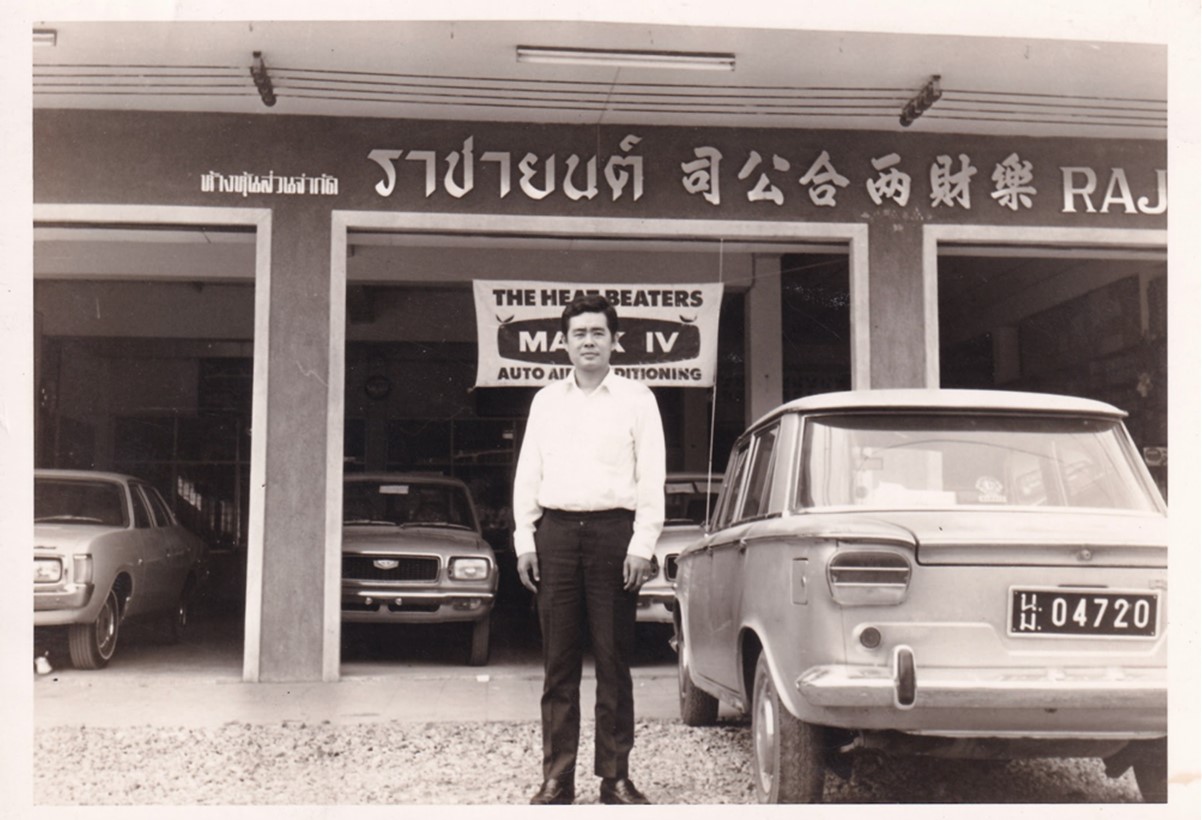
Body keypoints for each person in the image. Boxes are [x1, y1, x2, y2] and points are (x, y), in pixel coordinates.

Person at [512, 294, 666, 805]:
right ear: (564, 343)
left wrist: (642, 545)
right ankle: (558, 777)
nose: (588, 342)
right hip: (555, 536)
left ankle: (614, 776)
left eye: (598, 333)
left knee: (613, 660)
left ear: (615, 341)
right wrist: (524, 538)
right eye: (578, 334)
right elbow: (527, 474)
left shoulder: (638, 399)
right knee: (557, 664)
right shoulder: (545, 401)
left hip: (613, 537)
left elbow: (652, 479)